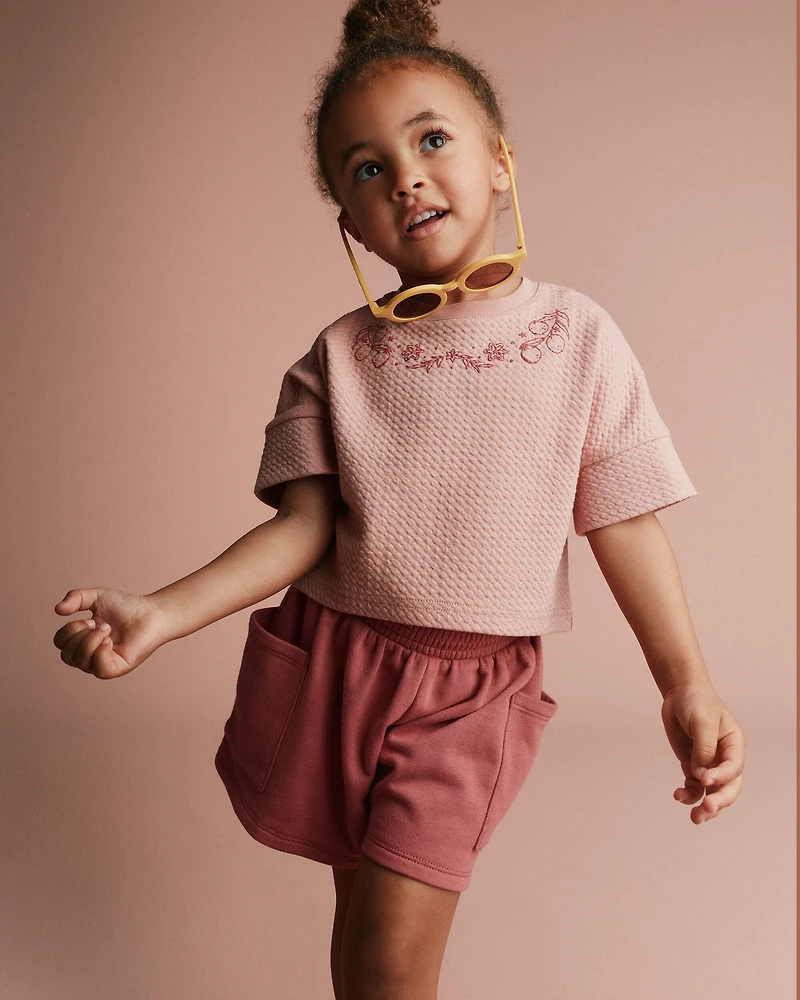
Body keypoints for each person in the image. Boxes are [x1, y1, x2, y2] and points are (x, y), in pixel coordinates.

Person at [52, 1, 746, 997]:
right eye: (367, 168)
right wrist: (159, 613)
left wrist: (684, 682)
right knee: (361, 944)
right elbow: (301, 530)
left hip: (471, 695)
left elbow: (623, 518)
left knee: (388, 959)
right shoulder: (336, 359)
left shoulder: (579, 339)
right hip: (336, 666)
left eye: (431, 141)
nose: (406, 177)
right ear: (351, 223)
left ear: (499, 163)